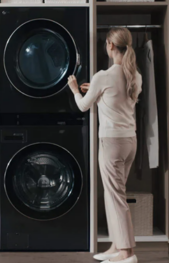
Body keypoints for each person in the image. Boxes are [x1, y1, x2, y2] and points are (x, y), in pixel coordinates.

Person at [68, 27, 142, 263]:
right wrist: (97, 90)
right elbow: (117, 99)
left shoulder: (103, 76)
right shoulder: (135, 76)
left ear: (110, 45)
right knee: (114, 195)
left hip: (111, 143)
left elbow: (82, 106)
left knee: (115, 197)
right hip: (130, 141)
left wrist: (74, 90)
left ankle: (127, 253)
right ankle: (115, 247)